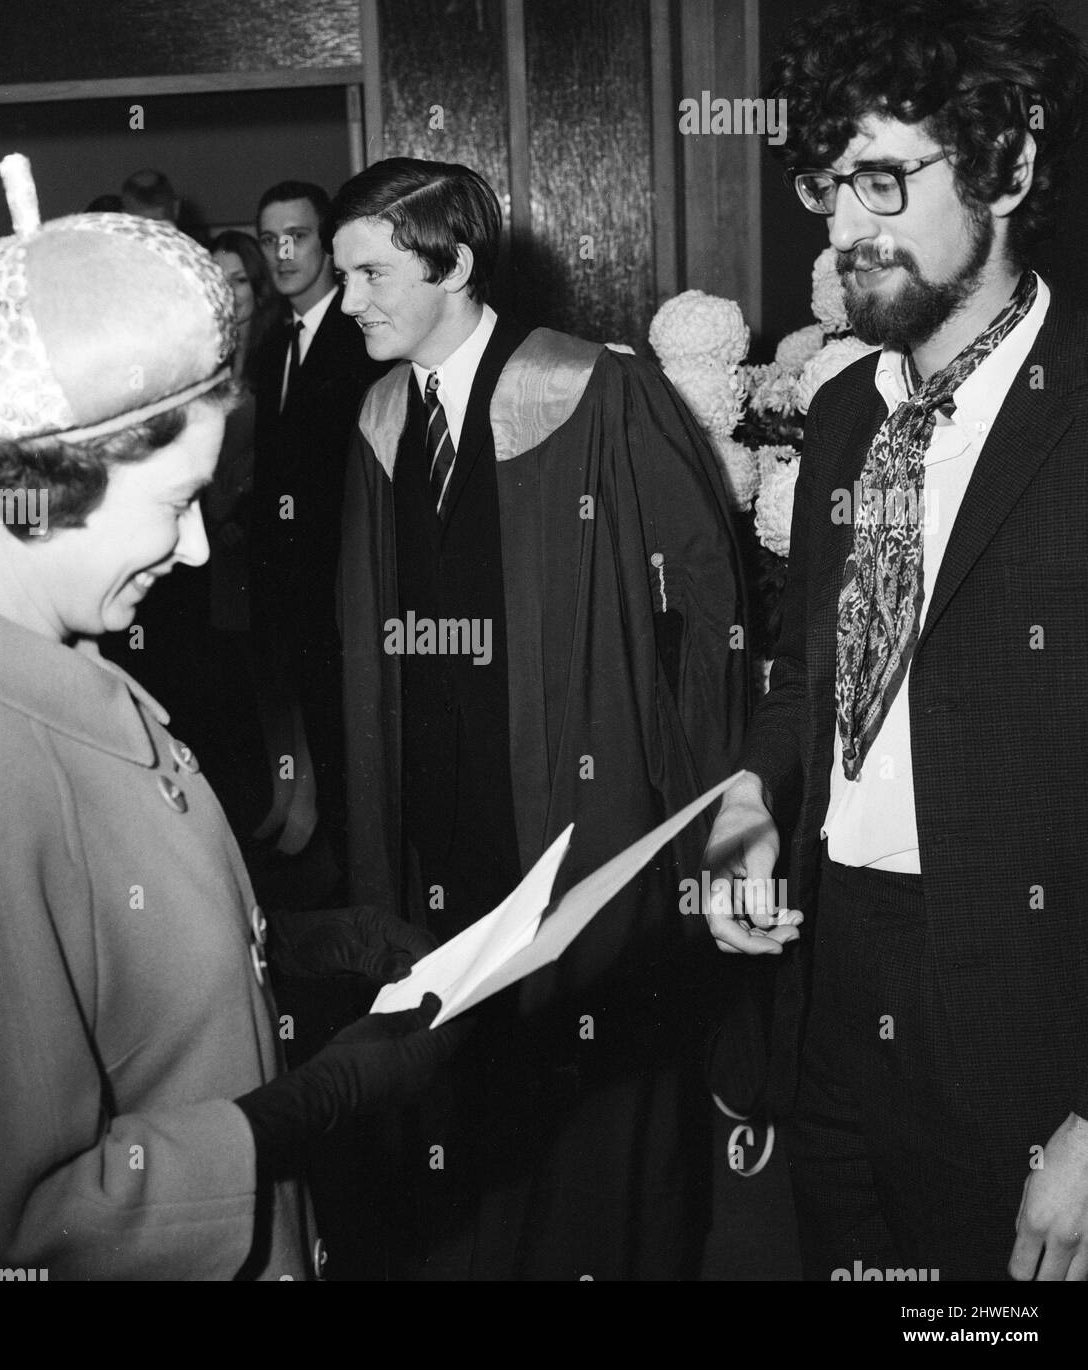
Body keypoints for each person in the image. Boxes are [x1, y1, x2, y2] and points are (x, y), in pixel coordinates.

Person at [0, 156, 462, 1281]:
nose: (196, 548)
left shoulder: (47, 661)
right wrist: (304, 1106)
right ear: (47, 487)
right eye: (175, 502)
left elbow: (110, 954)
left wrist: (320, 942)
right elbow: (23, 1222)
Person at [700, 0, 1088, 1282]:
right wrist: (757, 791)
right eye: (826, 186)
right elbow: (810, 671)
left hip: (1025, 1013)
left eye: (882, 180)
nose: (842, 228)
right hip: (835, 972)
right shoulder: (845, 410)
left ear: (1010, 169)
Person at [331, 156, 749, 1279]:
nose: (350, 299)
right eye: (345, 275)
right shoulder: (379, 415)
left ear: (455, 264)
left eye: (371, 272)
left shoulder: (590, 388)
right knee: (458, 1086)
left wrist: (701, 809)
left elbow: (708, 602)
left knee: (587, 1084)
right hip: (440, 825)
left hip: (579, 808)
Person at [248, 180, 388, 865]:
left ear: (327, 244)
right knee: (312, 721)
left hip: (344, 577)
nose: (282, 252)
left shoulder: (361, 335)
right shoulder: (275, 342)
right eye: (269, 239)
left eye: (297, 236)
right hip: (292, 581)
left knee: (349, 732)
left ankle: (356, 867)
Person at [206, 229, 280, 633]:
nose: (230, 293)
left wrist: (237, 506)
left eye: (238, 280)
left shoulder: (279, 353)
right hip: (208, 532)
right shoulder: (200, 358)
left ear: (257, 284)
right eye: (219, 281)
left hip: (256, 529)